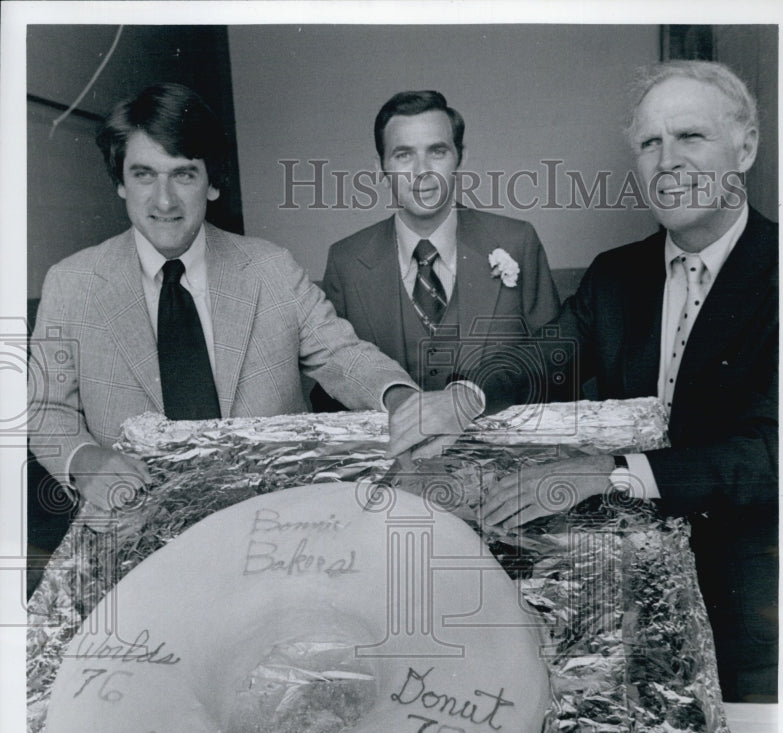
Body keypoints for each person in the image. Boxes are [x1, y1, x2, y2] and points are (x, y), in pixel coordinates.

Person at [28, 83, 477, 512]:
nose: (163, 201)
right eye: (144, 175)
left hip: (274, 524)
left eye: (184, 174)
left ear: (213, 183)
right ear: (121, 183)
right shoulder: (71, 284)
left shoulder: (271, 268)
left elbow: (344, 355)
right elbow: (43, 408)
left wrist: (403, 400)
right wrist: (83, 460)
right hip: (134, 530)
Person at [479, 61, 778, 702]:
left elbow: (771, 457)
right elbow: (544, 359)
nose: (667, 161)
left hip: (753, 616)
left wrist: (611, 470)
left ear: (746, 146)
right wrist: (463, 397)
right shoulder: (616, 276)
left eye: (690, 137)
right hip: (628, 602)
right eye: (649, 143)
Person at [311, 90, 560, 410]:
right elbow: (332, 390)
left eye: (437, 151)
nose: (422, 170)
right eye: (403, 155)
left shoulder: (517, 242)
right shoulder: (346, 261)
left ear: (460, 156)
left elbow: (555, 370)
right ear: (381, 166)